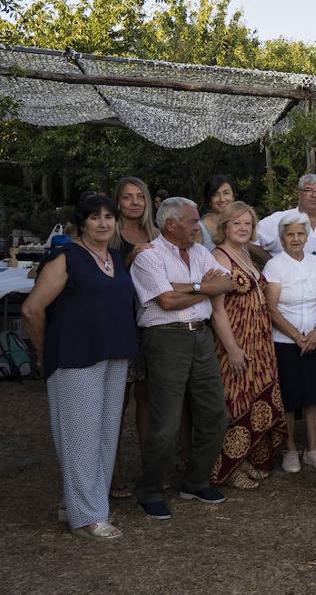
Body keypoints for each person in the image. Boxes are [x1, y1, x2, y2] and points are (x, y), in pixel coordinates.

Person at [21, 194, 139, 540]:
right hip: (75, 357)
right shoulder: (66, 257)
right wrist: (45, 351)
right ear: (82, 222)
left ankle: (78, 503)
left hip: (113, 353)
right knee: (80, 436)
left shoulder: (115, 257)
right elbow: (31, 310)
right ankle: (87, 518)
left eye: (108, 217)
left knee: (104, 433)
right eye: (94, 218)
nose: (103, 223)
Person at [128, 197, 234, 520]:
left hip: (201, 336)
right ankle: (150, 489)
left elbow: (226, 282)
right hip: (165, 339)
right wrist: (204, 287)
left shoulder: (201, 252)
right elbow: (168, 301)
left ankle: (196, 480)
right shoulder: (148, 256)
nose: (196, 226)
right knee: (166, 421)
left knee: (215, 412)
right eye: (190, 221)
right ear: (170, 224)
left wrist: (191, 286)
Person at [208, 201, 287, 489]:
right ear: (224, 226)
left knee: (258, 399)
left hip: (260, 342)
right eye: (236, 223)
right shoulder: (219, 258)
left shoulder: (245, 255)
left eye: (247, 224)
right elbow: (217, 311)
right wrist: (231, 348)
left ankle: (252, 459)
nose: (242, 228)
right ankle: (229, 468)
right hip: (237, 342)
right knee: (237, 401)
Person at [262, 211, 316, 474]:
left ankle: (312, 450)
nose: (295, 238)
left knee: (314, 396)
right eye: (290, 234)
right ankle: (290, 449)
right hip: (285, 342)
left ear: (307, 237)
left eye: (300, 233)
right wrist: (297, 336)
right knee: (290, 399)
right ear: (282, 238)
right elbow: (271, 309)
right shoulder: (275, 266)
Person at [106, 176, 157, 499]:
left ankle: (148, 469)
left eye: (140, 196)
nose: (135, 202)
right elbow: (106, 277)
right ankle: (112, 472)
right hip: (120, 323)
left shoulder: (155, 234)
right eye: (127, 197)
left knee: (147, 401)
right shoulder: (110, 235)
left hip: (150, 324)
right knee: (116, 403)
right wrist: (129, 257)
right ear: (118, 202)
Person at [254, 173, 316, 263]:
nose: (314, 195)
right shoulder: (278, 219)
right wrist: (273, 263)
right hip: (286, 279)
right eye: (308, 190)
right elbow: (249, 243)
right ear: (299, 194)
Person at [198, 175, 235, 252]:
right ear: (209, 199)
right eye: (215, 194)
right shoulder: (199, 229)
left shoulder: (241, 223)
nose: (222, 199)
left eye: (226, 193)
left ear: (233, 196)